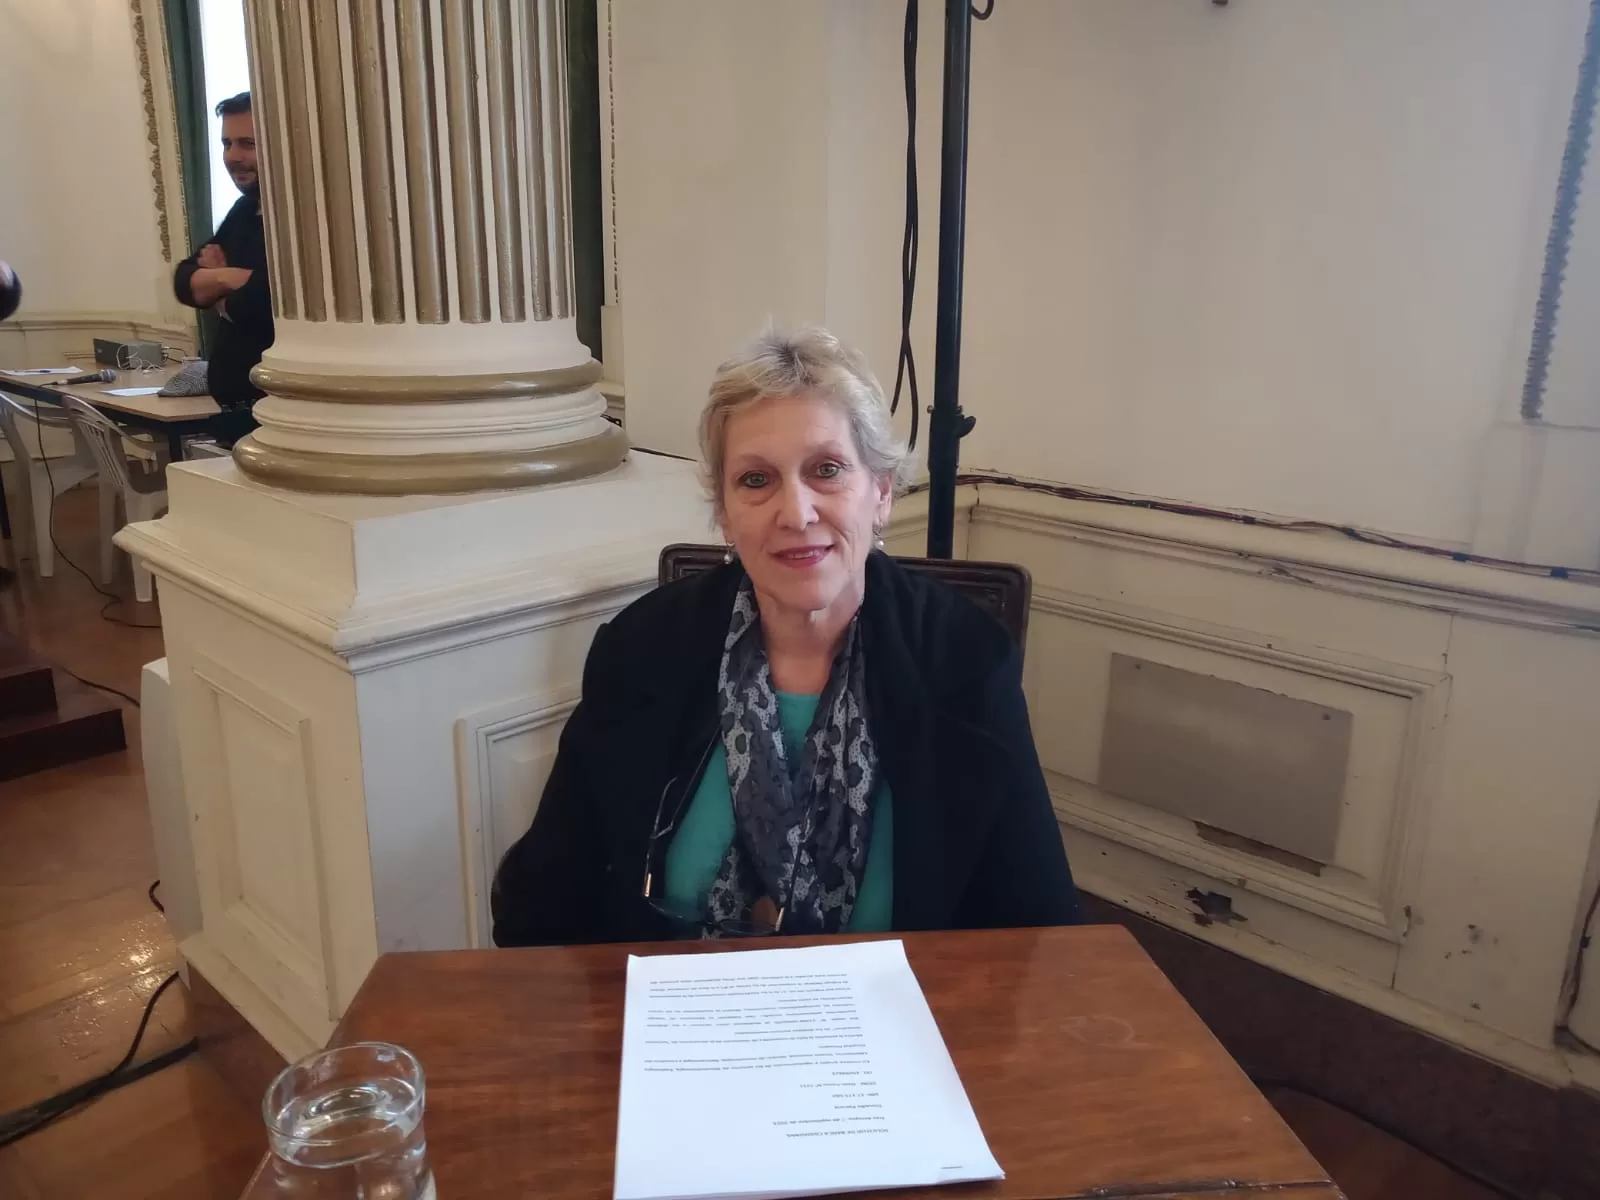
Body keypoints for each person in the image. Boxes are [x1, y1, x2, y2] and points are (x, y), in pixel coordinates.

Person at [491, 326, 1079, 946]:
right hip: (673, 1002)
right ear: (724, 512)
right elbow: (543, 902)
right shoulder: (642, 649)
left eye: (826, 470)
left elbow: (1036, 931)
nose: (795, 513)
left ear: (881, 492)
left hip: (907, 1005)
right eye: (756, 479)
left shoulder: (965, 661)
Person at [173, 92, 273, 447]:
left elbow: (264, 306)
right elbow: (184, 280)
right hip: (236, 419)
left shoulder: (297, 219)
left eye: (248, 144)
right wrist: (229, 277)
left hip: (275, 417)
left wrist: (219, 295)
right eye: (227, 143)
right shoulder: (244, 211)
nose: (232, 156)